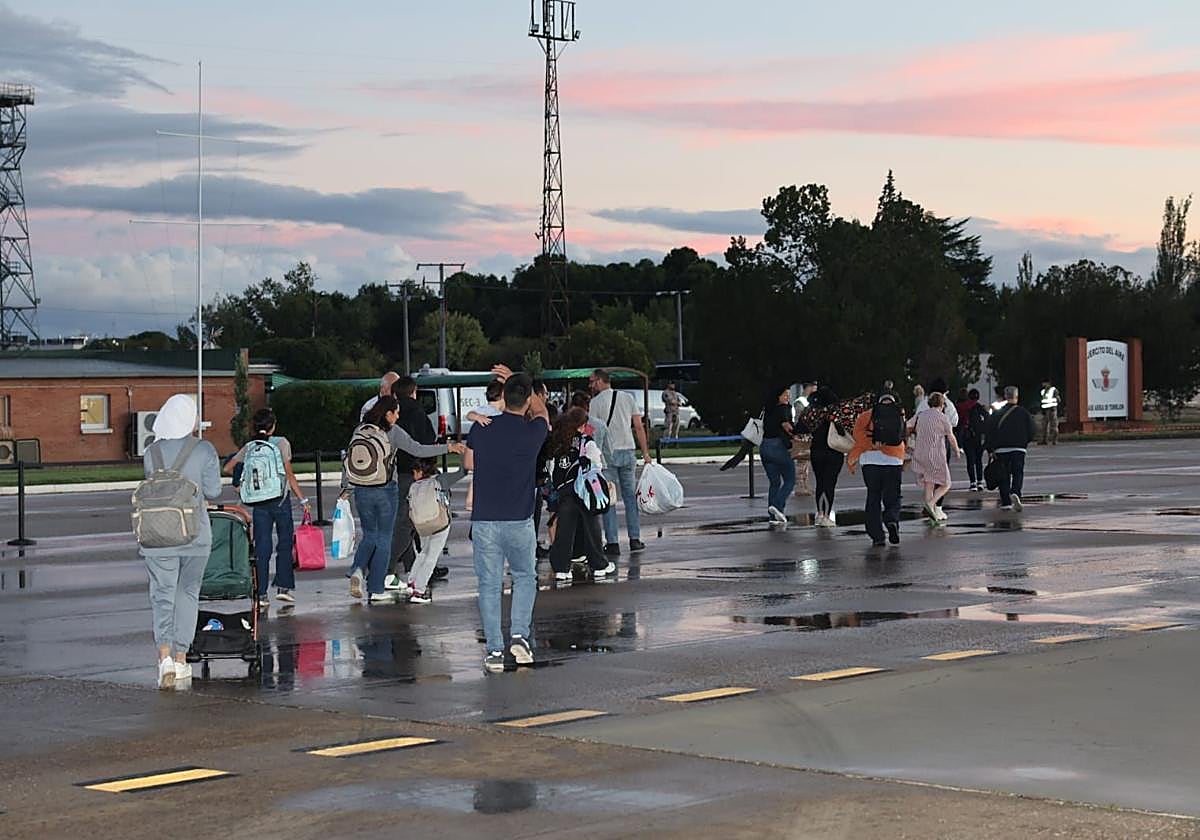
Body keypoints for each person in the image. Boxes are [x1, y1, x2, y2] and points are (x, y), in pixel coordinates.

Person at [467, 373, 550, 673]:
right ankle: (519, 635)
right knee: (524, 577)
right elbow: (542, 412)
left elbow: (467, 462)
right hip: (519, 520)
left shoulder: (482, 427)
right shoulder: (532, 432)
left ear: (503, 397)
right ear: (527, 399)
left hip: (485, 520)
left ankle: (493, 651)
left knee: (489, 585)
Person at [139, 394, 221, 689]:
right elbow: (213, 491)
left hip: (157, 534)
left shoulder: (152, 452)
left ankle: (164, 659)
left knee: (162, 595)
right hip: (195, 534)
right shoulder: (204, 449)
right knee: (188, 593)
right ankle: (182, 658)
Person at [344, 397, 460, 602]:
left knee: (370, 534)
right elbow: (418, 449)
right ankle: (377, 587)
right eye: (396, 413)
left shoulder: (361, 429)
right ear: (387, 414)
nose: (398, 416)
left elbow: (350, 460)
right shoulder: (392, 432)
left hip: (362, 490)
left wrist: (345, 488)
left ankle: (357, 570)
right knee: (384, 538)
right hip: (385, 490)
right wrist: (448, 448)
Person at [223, 408, 310, 608]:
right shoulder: (281, 443)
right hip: (280, 500)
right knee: (285, 543)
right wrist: (303, 500)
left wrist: (239, 486)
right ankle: (283, 587)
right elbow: (289, 475)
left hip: (259, 502)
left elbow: (228, 467)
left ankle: (260, 593)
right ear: (273, 426)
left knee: (262, 548)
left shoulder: (250, 446)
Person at [388, 375, 446, 588]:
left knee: (403, 523)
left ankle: (412, 565)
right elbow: (427, 442)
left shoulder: (392, 415)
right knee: (411, 524)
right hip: (417, 474)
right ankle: (386, 568)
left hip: (397, 474)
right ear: (414, 392)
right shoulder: (418, 413)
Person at [588, 369, 652, 556]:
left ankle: (613, 542)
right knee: (630, 498)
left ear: (600, 381)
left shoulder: (595, 403)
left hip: (607, 455)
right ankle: (634, 539)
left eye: (592, 381)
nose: (591, 385)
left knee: (609, 499)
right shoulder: (628, 398)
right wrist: (645, 452)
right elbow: (638, 427)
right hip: (628, 451)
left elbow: (593, 431)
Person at [545, 407, 612, 582]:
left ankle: (561, 568)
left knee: (564, 531)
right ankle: (598, 564)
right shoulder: (585, 442)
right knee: (592, 529)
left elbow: (551, 469)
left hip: (565, 493)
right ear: (582, 425)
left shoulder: (557, 442)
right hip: (584, 492)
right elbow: (596, 464)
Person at [796, 388, 874, 526]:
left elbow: (800, 428)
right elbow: (847, 427)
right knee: (829, 484)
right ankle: (825, 515)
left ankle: (820, 514)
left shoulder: (812, 412)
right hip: (834, 451)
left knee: (820, 482)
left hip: (816, 451)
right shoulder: (838, 412)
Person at [847, 394, 907, 547]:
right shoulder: (900, 413)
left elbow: (857, 435)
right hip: (893, 459)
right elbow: (902, 434)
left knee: (873, 496)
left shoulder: (866, 415)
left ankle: (877, 535)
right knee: (893, 495)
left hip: (870, 461)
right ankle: (892, 520)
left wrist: (871, 444)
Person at [406, 458, 467, 604]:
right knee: (431, 558)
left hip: (422, 525)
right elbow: (462, 473)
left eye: (414, 472)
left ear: (420, 472)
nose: (413, 475)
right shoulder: (441, 480)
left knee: (423, 553)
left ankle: (412, 581)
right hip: (439, 523)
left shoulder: (414, 485)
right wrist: (463, 456)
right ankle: (419, 591)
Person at [907, 393, 962, 523]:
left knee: (929, 483)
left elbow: (907, 426)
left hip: (920, 453)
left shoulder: (920, 415)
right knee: (946, 483)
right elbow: (951, 436)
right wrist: (957, 450)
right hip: (935, 454)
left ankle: (931, 514)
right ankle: (931, 504)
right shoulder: (943, 418)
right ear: (942, 405)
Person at [984, 386, 1037, 512]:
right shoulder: (1024, 413)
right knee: (1018, 472)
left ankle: (1006, 502)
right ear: (1016, 397)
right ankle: (1016, 492)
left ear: (1005, 397)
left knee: (1003, 474)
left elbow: (989, 430)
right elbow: (1032, 430)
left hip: (1001, 449)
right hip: (1019, 448)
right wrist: (1024, 441)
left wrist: (990, 449)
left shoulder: (997, 413)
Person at [759, 383, 796, 526]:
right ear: (778, 397)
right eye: (785, 395)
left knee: (774, 482)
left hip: (764, 447)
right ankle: (778, 505)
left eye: (789, 394)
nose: (788, 397)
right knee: (790, 479)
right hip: (777, 446)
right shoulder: (784, 409)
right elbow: (787, 426)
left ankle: (773, 516)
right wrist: (797, 433)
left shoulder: (767, 409)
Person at [956, 388, 988, 491]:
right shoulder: (979, 407)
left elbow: (958, 422)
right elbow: (987, 418)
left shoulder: (961, 407)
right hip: (978, 437)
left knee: (970, 460)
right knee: (979, 460)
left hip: (967, 436)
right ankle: (980, 482)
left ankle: (972, 482)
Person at [1040, 379, 1060, 445]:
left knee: (1054, 425)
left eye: (1044, 383)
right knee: (1044, 426)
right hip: (1045, 410)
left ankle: (1055, 440)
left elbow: (1058, 399)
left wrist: (1054, 402)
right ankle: (1044, 440)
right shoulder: (1043, 391)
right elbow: (1043, 401)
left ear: (1048, 383)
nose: (1043, 384)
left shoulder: (1053, 390)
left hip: (1052, 410)